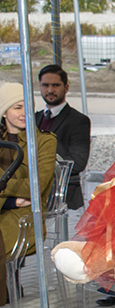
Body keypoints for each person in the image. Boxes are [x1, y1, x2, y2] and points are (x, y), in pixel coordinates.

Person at [0, 82, 57, 260]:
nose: (24, 113)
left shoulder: (44, 141)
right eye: (18, 107)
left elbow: (36, 186)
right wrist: (11, 201)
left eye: (28, 106)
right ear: (4, 112)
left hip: (24, 219)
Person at [36, 64, 91, 209]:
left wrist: (40, 168)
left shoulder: (78, 121)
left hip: (63, 199)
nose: (50, 90)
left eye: (55, 85)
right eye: (45, 85)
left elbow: (78, 163)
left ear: (66, 88)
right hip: (35, 194)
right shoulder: (33, 119)